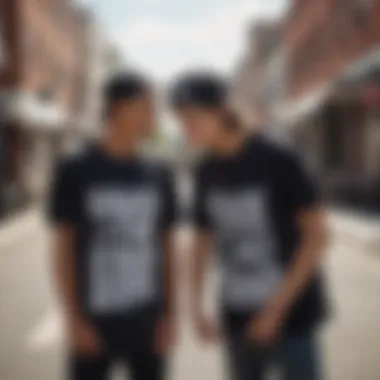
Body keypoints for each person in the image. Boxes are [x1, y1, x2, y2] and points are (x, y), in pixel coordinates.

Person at [169, 72, 329, 380]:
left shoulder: (279, 159)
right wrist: (196, 308)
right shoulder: (205, 171)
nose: (185, 127)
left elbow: (317, 236)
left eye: (193, 117)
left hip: (291, 316)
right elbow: (201, 242)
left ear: (222, 113)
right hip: (237, 314)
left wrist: (275, 311)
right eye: (180, 119)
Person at [49, 73, 177, 380]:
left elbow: (168, 250)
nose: (154, 115)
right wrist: (74, 320)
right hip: (94, 324)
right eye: (147, 106)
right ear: (119, 109)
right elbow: (63, 251)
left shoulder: (160, 174)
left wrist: (169, 316)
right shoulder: (75, 169)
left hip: (147, 322)